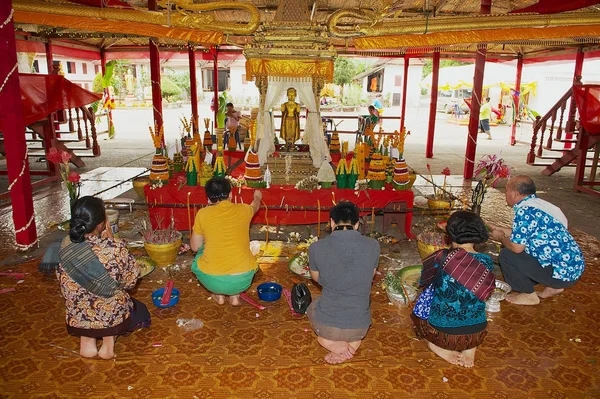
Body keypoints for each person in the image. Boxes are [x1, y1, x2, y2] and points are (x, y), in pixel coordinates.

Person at [57, 196, 150, 359]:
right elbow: (130, 281)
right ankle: (108, 344)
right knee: (140, 310)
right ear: (101, 224)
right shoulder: (114, 248)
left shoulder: (66, 245)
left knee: (86, 301)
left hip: (77, 314)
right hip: (109, 314)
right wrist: (112, 241)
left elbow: (61, 277)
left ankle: (86, 343)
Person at [411, 211, 495, 368]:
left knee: (424, 300)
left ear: (449, 234)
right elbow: (486, 292)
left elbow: (423, 281)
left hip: (442, 335)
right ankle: (470, 350)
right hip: (476, 334)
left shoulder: (441, 257)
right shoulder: (488, 262)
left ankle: (436, 346)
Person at [489, 175, 585, 306]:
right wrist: (500, 229)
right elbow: (529, 234)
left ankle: (528, 295)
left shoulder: (524, 211)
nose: (505, 194)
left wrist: (501, 237)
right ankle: (554, 287)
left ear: (516, 194)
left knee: (507, 254)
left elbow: (517, 247)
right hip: (572, 269)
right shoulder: (542, 206)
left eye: (506, 190)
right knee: (517, 246)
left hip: (558, 272)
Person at [307, 201, 380, 364]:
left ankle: (329, 342)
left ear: (332, 222)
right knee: (361, 307)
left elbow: (316, 277)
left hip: (326, 328)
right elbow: (369, 275)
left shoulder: (316, 247)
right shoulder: (373, 245)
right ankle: (352, 345)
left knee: (313, 306)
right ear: (356, 225)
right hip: (359, 327)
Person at [190, 177, 262, 306]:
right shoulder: (244, 210)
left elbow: (195, 247)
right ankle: (235, 296)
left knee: (201, 250)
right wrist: (257, 197)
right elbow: (255, 206)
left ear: (208, 198)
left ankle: (218, 294)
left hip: (213, 281)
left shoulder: (202, 214)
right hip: (243, 280)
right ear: (230, 194)